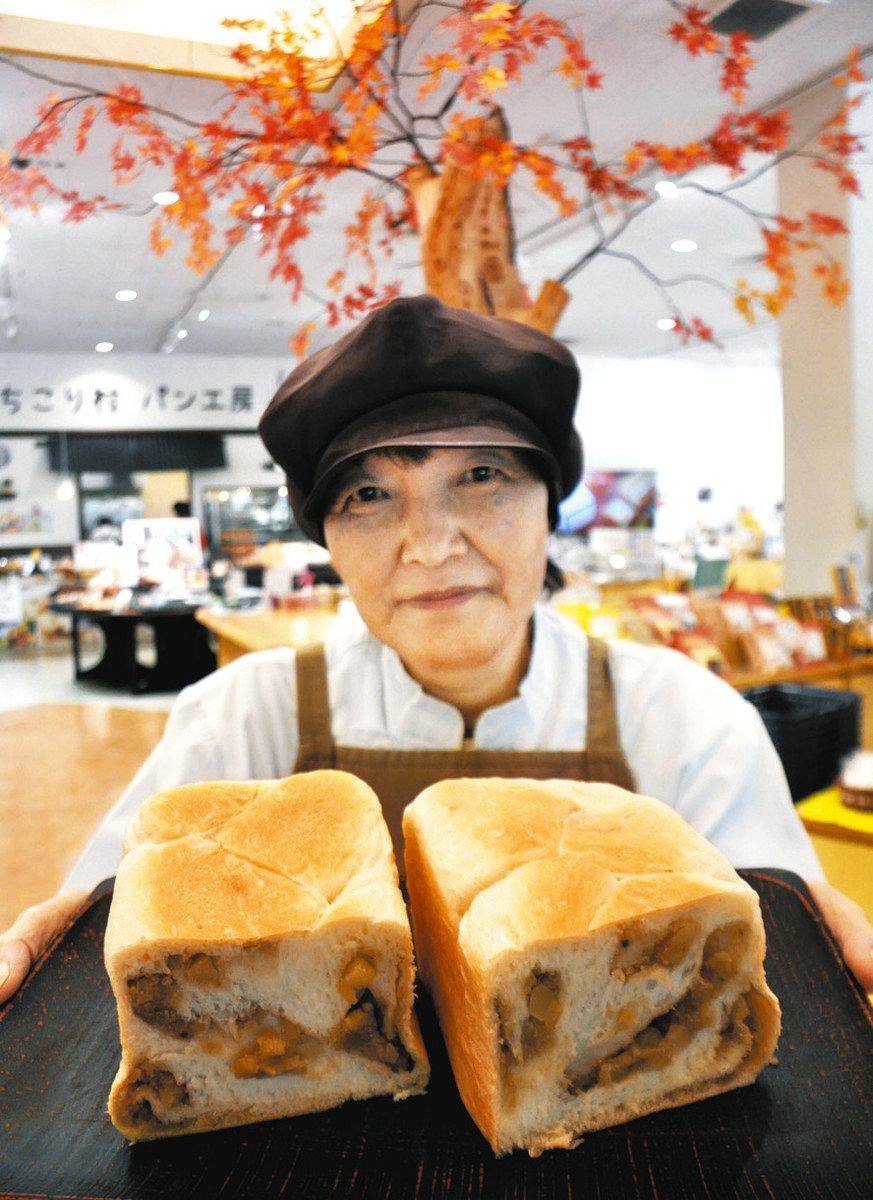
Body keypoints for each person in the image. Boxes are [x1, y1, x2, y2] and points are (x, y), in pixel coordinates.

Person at [1, 294, 871, 1003]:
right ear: (327, 540)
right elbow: (104, 941)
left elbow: (782, 974)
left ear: (548, 501)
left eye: (481, 476)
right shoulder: (240, 719)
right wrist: (58, 964)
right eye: (370, 494)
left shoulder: (684, 720)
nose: (429, 544)